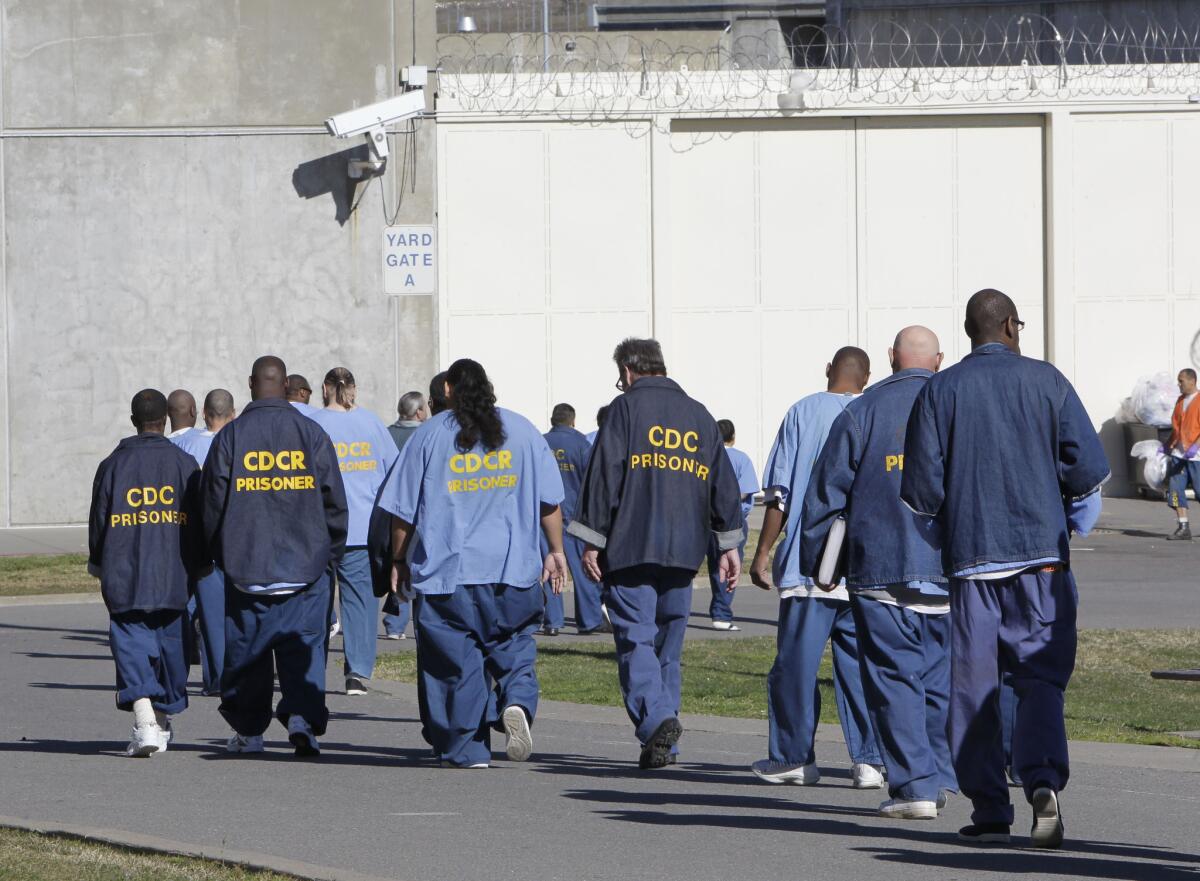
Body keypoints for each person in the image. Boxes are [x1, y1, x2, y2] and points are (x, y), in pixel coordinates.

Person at [901, 289, 1108, 848]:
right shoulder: (1048, 381)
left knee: (973, 683)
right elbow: (1088, 469)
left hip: (972, 562)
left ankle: (990, 806)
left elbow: (920, 492)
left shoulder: (940, 389)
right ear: (1013, 327)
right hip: (1040, 558)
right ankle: (1041, 779)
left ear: (968, 331)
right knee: (1038, 675)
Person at [376, 358, 567, 768]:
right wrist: (556, 551)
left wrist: (399, 559)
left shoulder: (428, 436)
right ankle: (515, 699)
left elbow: (403, 512)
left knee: (455, 664)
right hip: (512, 570)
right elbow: (550, 501)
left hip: (450, 575)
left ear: (447, 389)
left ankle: (467, 749)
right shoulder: (524, 431)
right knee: (514, 644)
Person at [801, 327, 956, 820]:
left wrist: (817, 562)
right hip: (949, 569)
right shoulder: (957, 405)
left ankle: (915, 785)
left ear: (890, 358)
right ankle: (939, 774)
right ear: (939, 359)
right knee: (939, 680)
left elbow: (826, 494)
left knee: (893, 679)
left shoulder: (862, 411)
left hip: (881, 566)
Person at [568, 338, 743, 769]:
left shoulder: (625, 409)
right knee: (668, 646)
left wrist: (592, 537)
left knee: (635, 639)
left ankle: (659, 718)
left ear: (628, 371)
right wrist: (728, 545)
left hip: (631, 545)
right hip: (684, 550)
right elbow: (723, 486)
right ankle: (664, 741)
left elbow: (604, 473)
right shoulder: (700, 415)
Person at [747, 347, 884, 789]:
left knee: (796, 665)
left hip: (812, 563)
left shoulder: (802, 413)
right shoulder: (874, 411)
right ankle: (869, 759)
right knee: (861, 666)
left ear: (829, 370)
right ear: (868, 377)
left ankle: (793, 755)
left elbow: (780, 493)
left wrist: (764, 551)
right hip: (864, 564)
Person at [200, 356, 348, 757]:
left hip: (248, 567)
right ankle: (302, 719)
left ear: (251, 384)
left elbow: (211, 503)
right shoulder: (311, 432)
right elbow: (333, 499)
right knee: (304, 651)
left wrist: (220, 553)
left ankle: (250, 732)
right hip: (306, 567)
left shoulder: (229, 438)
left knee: (248, 654)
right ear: (285, 386)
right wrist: (329, 553)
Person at [87, 389, 205, 756]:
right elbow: (199, 522)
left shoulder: (112, 465)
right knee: (171, 647)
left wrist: (98, 560)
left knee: (133, 643)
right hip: (173, 572)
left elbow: (99, 520)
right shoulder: (184, 464)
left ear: (134, 420)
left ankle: (152, 722)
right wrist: (200, 563)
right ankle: (149, 721)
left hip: (126, 571)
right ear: (165, 421)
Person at [310, 368, 400, 695]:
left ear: (325, 388)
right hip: (362, 526)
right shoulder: (373, 423)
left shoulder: (315, 423)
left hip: (320, 526)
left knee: (317, 599)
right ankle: (358, 672)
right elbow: (393, 470)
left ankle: (312, 668)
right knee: (359, 600)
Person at [175, 389, 237, 695]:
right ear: (233, 413)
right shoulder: (238, 442)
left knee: (202, 613)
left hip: (196, 539)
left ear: (203, 413)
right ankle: (226, 676)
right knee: (229, 613)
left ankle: (208, 676)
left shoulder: (185, 444)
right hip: (232, 538)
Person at [543, 402, 607, 636]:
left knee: (551, 567)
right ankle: (588, 620)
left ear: (552, 420)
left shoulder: (540, 442)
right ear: (572, 421)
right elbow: (592, 481)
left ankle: (553, 622)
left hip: (546, 514)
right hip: (574, 514)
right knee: (583, 569)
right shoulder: (582, 444)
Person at [382, 390, 429, 638]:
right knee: (416, 563)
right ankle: (422, 621)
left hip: (391, 510)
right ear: (419, 412)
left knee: (397, 563)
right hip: (419, 511)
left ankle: (394, 622)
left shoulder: (387, 433)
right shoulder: (425, 435)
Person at [706, 419, 759, 631]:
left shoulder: (707, 457)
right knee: (728, 567)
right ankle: (721, 614)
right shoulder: (741, 459)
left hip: (705, 519)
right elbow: (745, 491)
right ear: (733, 437)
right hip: (732, 521)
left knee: (710, 566)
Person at [1164, 368, 1200, 540]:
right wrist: (1166, 446)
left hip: (1196, 456)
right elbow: (1177, 427)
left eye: (1181, 381)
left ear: (1192, 381)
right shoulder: (1180, 401)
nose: (1179, 384)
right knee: (1175, 491)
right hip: (1179, 454)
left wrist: (1195, 447)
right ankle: (1183, 526)